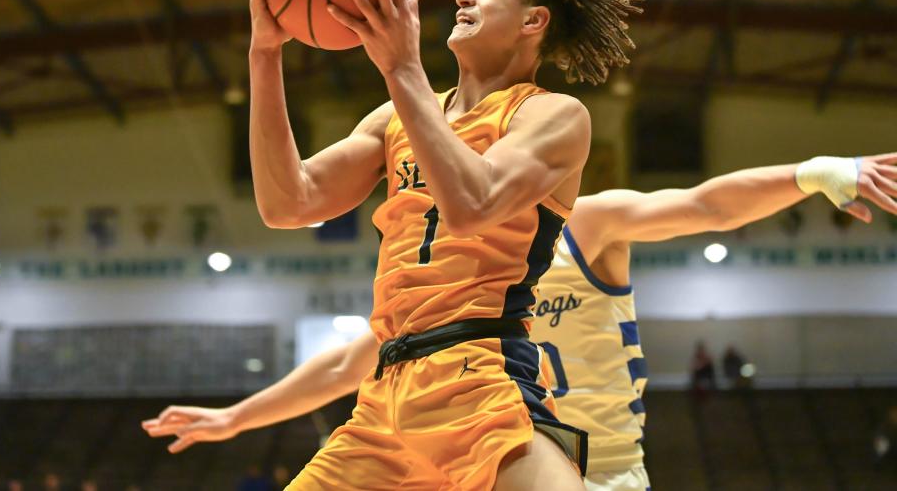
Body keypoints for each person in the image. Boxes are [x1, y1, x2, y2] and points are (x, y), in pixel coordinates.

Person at [165, 0, 636, 490]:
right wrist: (265, 54)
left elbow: (472, 203)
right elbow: (288, 203)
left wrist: (401, 66)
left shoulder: (552, 115)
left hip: (480, 376)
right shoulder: (394, 118)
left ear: (533, 21)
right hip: (384, 398)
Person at [144, 153, 897, 491]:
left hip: (597, 474)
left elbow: (706, 203)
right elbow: (353, 361)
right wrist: (237, 416)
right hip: (491, 467)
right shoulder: (459, 280)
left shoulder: (588, 224)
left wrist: (812, 173)